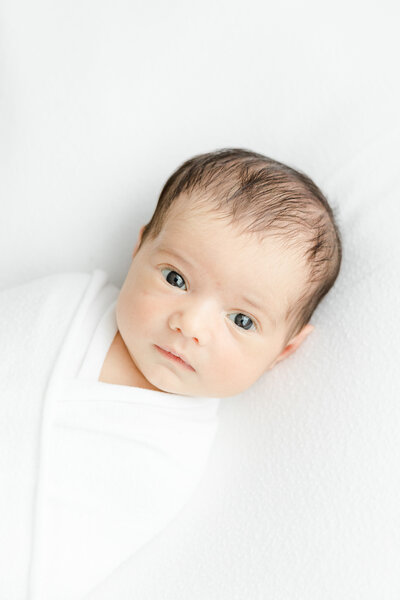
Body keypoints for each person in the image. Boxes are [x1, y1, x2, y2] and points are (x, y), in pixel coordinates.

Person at [99, 147, 342, 398]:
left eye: (242, 321)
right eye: (176, 279)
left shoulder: (181, 434)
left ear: (284, 350)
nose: (191, 325)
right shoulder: (67, 303)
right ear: (139, 249)